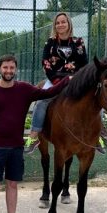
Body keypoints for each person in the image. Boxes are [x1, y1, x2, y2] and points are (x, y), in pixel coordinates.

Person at [0, 54, 70, 213]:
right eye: (5, 68)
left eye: (12, 68)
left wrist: (68, 78)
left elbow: (48, 93)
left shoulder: (24, 89)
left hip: (15, 147)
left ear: (16, 69)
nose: (8, 71)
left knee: (12, 184)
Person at [25, 12, 87, 154]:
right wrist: (56, 81)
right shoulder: (50, 42)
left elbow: (84, 63)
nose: (60, 25)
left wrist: (76, 79)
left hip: (75, 80)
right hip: (54, 79)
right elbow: (46, 63)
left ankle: (99, 136)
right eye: (57, 23)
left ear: (69, 23)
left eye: (63, 22)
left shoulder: (79, 42)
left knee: (95, 97)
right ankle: (34, 136)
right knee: (41, 102)